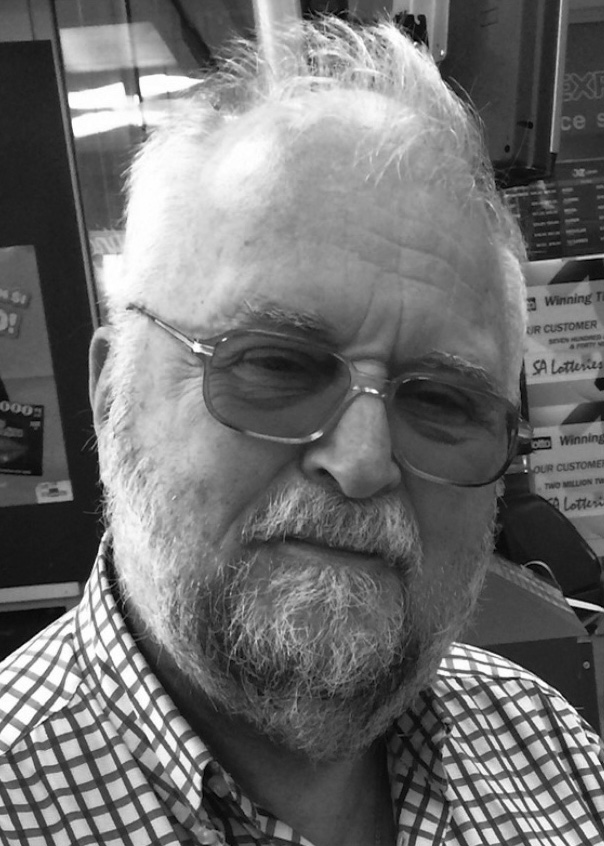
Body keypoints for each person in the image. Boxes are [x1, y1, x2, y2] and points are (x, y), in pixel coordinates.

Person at [1, 18, 603, 846]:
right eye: (277, 366)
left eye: (441, 401)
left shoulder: (549, 751)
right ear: (113, 396)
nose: (362, 462)